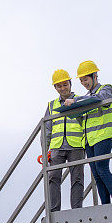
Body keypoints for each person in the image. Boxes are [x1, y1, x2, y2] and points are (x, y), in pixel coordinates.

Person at [65, 60, 112, 204]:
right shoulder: (85, 97)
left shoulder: (105, 88)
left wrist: (76, 100)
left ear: (94, 76)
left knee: (102, 169)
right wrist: (75, 112)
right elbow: (83, 120)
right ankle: (105, 204)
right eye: (82, 80)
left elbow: (101, 98)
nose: (84, 82)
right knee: (96, 174)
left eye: (86, 79)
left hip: (103, 135)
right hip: (89, 139)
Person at [44, 69, 85, 212]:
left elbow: (86, 122)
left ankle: (77, 210)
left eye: (65, 84)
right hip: (57, 147)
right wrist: (45, 151)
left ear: (70, 84)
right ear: (55, 87)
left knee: (77, 178)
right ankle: (54, 211)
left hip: (76, 145)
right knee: (53, 178)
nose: (63, 88)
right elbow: (47, 129)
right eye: (59, 86)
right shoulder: (51, 105)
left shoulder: (80, 100)